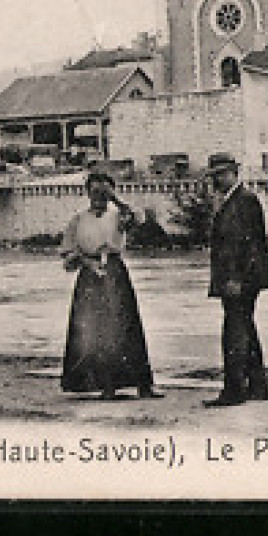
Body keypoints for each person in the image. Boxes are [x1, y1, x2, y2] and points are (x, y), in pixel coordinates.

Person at [59, 170, 162, 400]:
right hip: (89, 276)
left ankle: (143, 385)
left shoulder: (119, 216)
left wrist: (115, 198)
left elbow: (139, 219)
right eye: (94, 192)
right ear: (87, 193)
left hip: (115, 273)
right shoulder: (78, 219)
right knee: (94, 330)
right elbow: (67, 253)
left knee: (126, 326)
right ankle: (106, 385)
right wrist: (86, 262)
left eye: (103, 193)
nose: (99, 197)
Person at [204, 152, 268, 407]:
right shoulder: (234, 200)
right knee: (245, 328)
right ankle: (257, 387)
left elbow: (250, 244)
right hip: (240, 278)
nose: (217, 180)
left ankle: (234, 391)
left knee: (234, 332)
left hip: (239, 279)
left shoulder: (244, 201)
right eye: (215, 175)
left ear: (234, 173)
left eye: (221, 174)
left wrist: (236, 278)